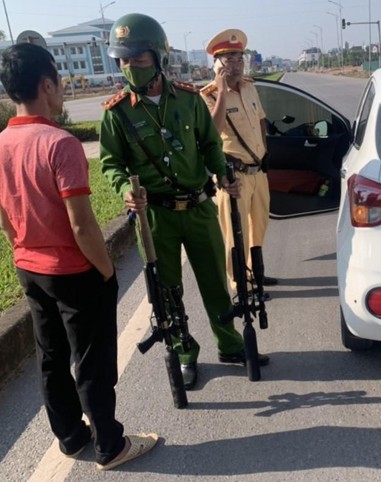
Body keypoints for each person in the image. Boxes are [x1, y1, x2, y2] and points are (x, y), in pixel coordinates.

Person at [0, 42, 157, 471]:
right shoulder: (60, 143)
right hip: (72, 271)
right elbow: (83, 226)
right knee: (92, 362)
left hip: (28, 267)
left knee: (50, 356)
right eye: (59, 79)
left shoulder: (2, 143)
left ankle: (70, 437)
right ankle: (111, 445)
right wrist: (105, 271)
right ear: (46, 84)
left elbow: (5, 218)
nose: (63, 87)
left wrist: (22, 249)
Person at [99, 13, 269, 390]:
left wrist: (224, 174)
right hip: (155, 217)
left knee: (215, 281)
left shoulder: (189, 100)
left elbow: (210, 144)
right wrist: (123, 188)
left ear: (158, 57)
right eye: (123, 60)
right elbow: (111, 163)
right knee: (168, 292)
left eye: (138, 59)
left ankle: (230, 344)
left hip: (198, 208)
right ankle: (185, 352)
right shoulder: (117, 112)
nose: (130, 67)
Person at [200, 28, 278, 291]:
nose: (235, 64)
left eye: (238, 58)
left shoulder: (249, 87)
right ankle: (239, 282)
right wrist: (222, 92)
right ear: (217, 64)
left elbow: (261, 120)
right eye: (228, 58)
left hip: (257, 172)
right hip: (233, 176)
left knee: (259, 226)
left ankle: (256, 272)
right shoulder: (208, 95)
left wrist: (265, 152)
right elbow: (212, 131)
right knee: (236, 232)